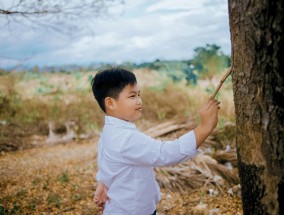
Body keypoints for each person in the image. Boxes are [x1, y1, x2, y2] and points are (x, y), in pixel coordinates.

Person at [91, 68, 220, 215]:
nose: (139, 101)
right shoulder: (127, 138)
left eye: (139, 95)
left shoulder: (110, 130)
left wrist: (102, 182)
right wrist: (205, 127)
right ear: (110, 103)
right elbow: (166, 153)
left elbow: (105, 159)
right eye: (132, 96)